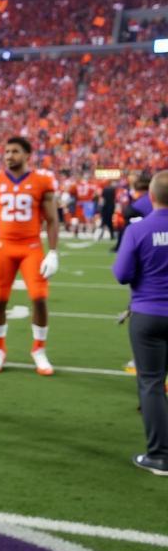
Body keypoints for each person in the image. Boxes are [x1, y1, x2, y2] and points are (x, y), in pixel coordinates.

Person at [0, 136, 60, 376]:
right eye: (7, 151)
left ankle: (38, 349)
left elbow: (52, 219)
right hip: (4, 247)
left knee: (39, 298)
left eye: (15, 151)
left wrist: (53, 252)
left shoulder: (43, 180)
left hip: (32, 248)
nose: (9, 155)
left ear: (27, 155)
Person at [112, 170, 168, 476]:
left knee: (151, 383)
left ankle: (160, 456)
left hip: (148, 313)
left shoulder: (139, 229)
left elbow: (122, 273)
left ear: (152, 196)